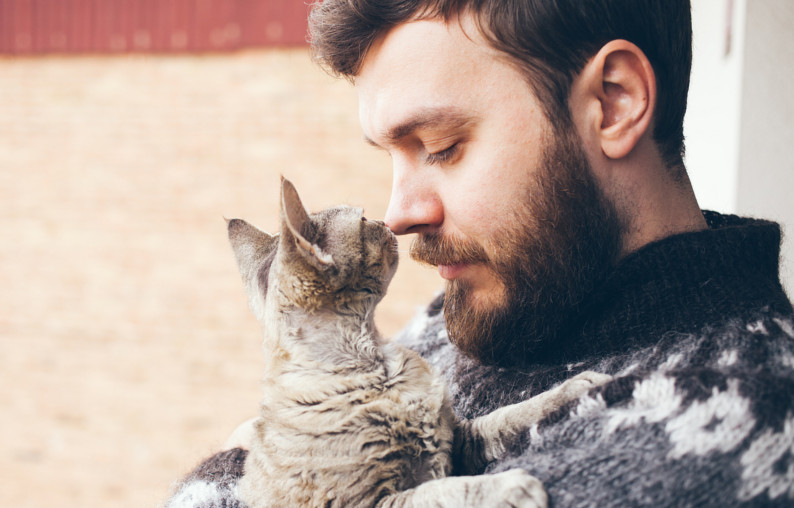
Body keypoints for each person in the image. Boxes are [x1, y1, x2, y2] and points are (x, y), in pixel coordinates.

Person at [167, 0, 794, 506]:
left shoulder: (727, 432)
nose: (398, 213)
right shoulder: (464, 314)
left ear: (613, 101)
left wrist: (258, 458)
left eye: (440, 145)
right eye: (389, 155)